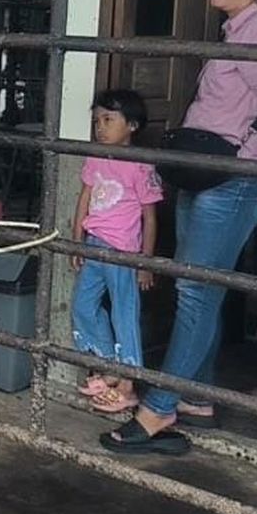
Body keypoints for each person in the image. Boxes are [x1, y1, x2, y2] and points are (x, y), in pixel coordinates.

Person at [102, 0, 257, 456]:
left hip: (232, 182)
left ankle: (157, 410)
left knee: (195, 293)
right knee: (201, 290)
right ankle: (196, 398)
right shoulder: (235, 28)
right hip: (207, 177)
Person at [71, 89, 162, 413]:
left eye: (108, 120)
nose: (100, 127)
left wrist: (144, 263)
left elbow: (149, 217)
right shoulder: (96, 155)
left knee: (125, 315)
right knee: (83, 306)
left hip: (124, 251)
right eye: (97, 120)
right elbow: (84, 198)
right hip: (94, 245)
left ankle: (128, 385)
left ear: (132, 126)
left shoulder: (140, 166)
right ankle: (109, 366)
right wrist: (76, 239)